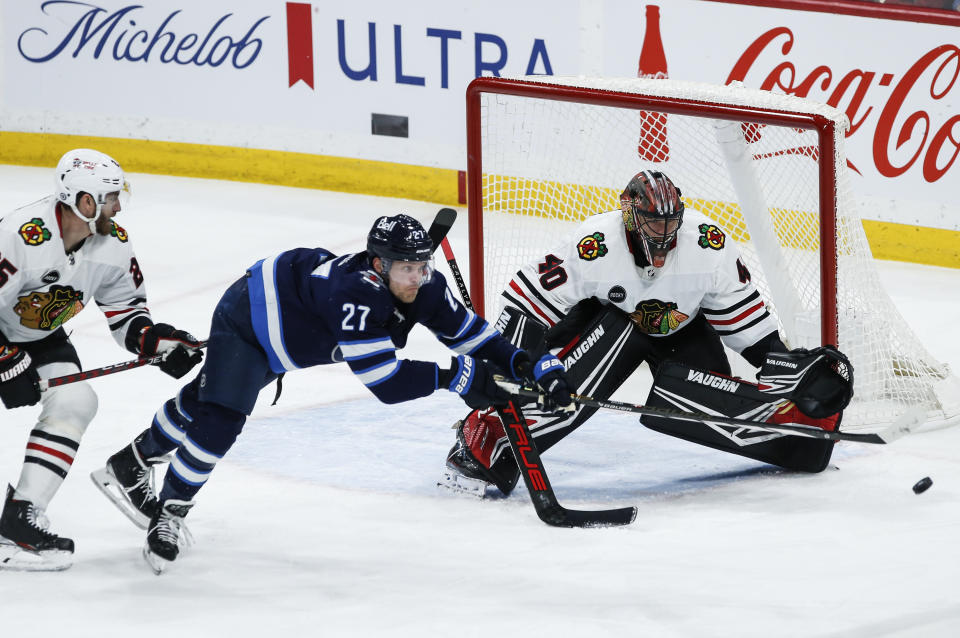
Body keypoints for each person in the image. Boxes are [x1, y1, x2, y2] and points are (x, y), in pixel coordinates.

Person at [92, 213, 572, 573]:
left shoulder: (421, 285)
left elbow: (473, 336)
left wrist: (531, 364)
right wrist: (458, 378)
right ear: (378, 264)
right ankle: (169, 511)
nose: (417, 277)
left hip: (290, 331)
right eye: (406, 268)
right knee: (221, 416)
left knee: (205, 399)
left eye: (422, 266)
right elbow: (387, 383)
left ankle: (130, 463)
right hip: (249, 319)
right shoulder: (355, 293)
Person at [441, 170, 853, 498]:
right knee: (564, 391)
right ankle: (490, 434)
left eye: (670, 221)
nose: (663, 232)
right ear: (629, 215)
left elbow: (743, 316)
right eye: (653, 222)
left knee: (712, 406)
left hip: (683, 330)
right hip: (606, 326)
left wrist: (780, 366)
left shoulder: (708, 244)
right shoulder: (595, 246)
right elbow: (528, 301)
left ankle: (793, 432)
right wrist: (511, 361)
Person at [0, 149, 204, 571]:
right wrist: (3, 358)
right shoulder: (20, 235)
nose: (118, 206)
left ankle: (19, 519)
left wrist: (157, 342)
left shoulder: (113, 244)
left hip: (39, 337)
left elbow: (127, 314)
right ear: (83, 201)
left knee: (77, 402)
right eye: (110, 198)